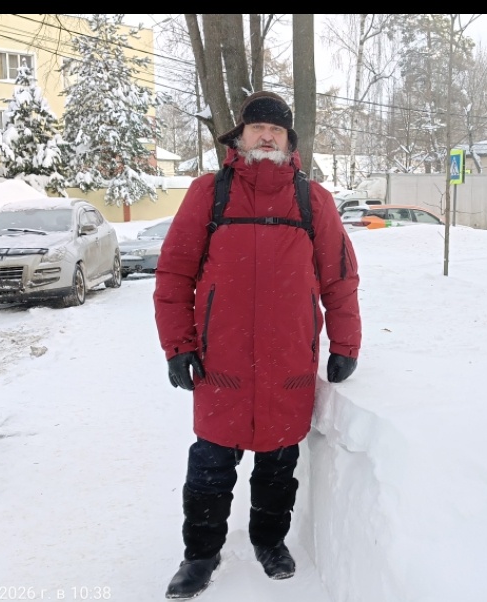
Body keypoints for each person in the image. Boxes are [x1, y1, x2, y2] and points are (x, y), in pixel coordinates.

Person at [153, 91, 362, 599]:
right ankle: (200, 555)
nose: (266, 137)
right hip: (219, 362)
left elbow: (339, 278)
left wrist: (346, 344)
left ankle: (270, 542)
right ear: (240, 136)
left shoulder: (313, 201)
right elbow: (175, 274)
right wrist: (177, 345)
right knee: (210, 465)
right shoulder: (210, 193)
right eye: (257, 128)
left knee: (278, 464)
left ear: (290, 142)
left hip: (289, 361)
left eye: (277, 130)